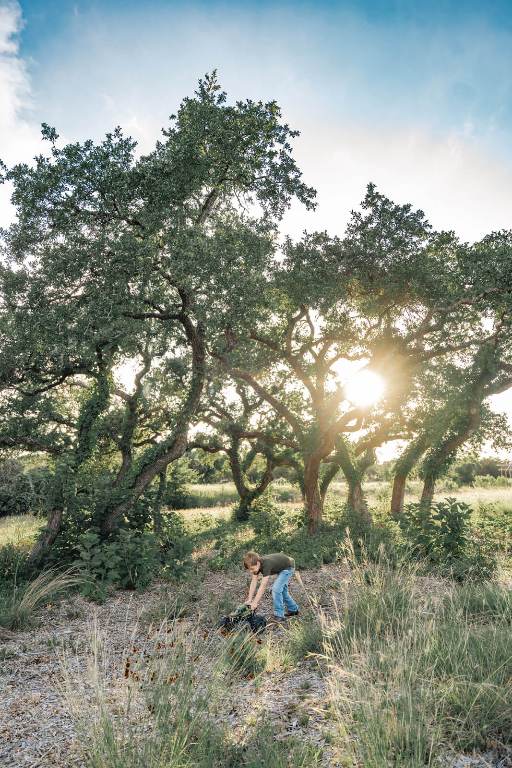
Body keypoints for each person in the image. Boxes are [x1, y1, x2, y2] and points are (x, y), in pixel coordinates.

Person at [243, 550, 299, 623]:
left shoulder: (266, 564)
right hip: (282, 567)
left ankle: (279, 615)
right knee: (283, 592)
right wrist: (250, 599)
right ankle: (293, 609)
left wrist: (255, 602)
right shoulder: (256, 565)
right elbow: (253, 582)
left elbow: (263, 586)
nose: (251, 571)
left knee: (276, 589)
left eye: (252, 569)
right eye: (249, 569)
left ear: (258, 563)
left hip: (288, 567)